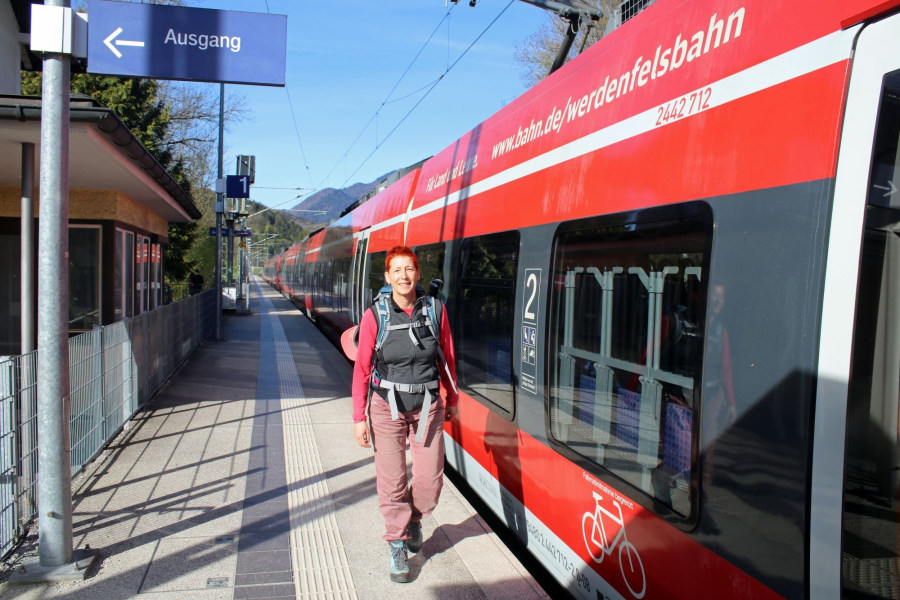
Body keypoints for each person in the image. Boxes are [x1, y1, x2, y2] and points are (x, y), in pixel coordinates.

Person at [351, 245, 459, 583]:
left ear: (418, 273)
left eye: (409, 269)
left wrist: (452, 397)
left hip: (427, 405)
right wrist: (359, 417)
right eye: (396, 270)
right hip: (386, 408)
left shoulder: (435, 310)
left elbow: (447, 358)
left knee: (429, 483)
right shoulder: (376, 316)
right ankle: (396, 543)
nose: (403, 276)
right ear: (387, 277)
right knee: (392, 480)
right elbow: (362, 369)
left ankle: (414, 517)